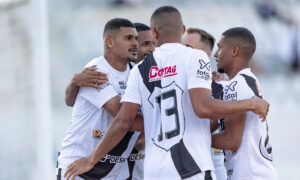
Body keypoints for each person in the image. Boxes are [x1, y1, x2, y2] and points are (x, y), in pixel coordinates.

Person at [64, 6, 270, 180]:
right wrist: (250, 103)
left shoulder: (140, 69)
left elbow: (122, 121)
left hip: (154, 171)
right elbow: (203, 107)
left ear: (154, 33)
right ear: (182, 29)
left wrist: (91, 159)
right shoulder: (195, 57)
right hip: (190, 167)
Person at [57, 18, 144, 180]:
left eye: (136, 39)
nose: (135, 44)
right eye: (128, 38)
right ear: (109, 42)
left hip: (112, 173)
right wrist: (161, 123)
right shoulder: (96, 71)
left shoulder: (136, 72)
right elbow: (124, 118)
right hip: (78, 169)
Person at [211, 27, 277, 179]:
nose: (215, 54)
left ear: (234, 51)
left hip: (249, 174)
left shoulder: (237, 85)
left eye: (220, 48)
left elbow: (231, 140)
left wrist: (194, 139)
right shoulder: (246, 80)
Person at [183, 27, 227, 180]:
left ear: (205, 56)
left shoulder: (222, 87)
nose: (182, 52)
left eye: (188, 48)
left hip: (214, 169)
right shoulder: (173, 84)